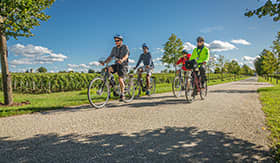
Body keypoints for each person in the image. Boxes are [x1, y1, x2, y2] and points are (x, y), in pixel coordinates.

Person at [102, 34, 129, 101]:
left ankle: (122, 94)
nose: (116, 42)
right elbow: (110, 57)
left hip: (123, 65)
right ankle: (113, 85)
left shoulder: (125, 47)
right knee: (107, 69)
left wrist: (122, 60)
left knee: (120, 79)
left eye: (117, 40)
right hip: (116, 64)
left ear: (121, 41)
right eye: (115, 41)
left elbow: (126, 55)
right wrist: (104, 62)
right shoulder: (114, 49)